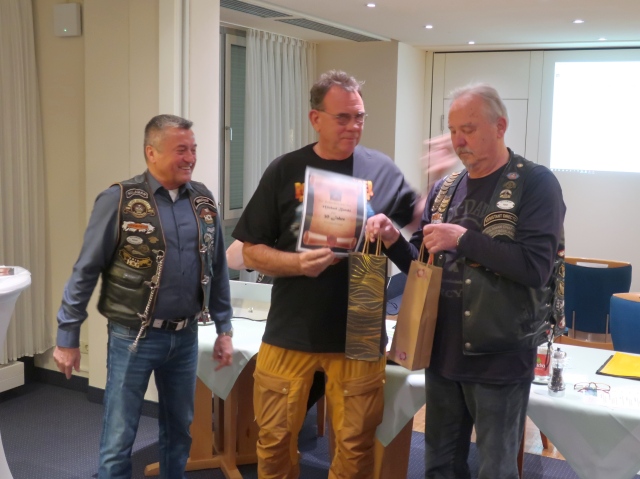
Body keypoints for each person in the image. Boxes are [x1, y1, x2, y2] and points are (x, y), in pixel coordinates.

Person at [367, 84, 565, 479]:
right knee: (440, 466)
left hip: (500, 356)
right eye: (453, 130)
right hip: (443, 352)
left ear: (500, 126)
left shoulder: (536, 184)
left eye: (469, 130)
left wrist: (463, 239)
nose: (459, 140)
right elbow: (421, 267)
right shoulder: (445, 190)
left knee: (496, 469)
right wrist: (392, 240)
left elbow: (535, 268)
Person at [232, 70, 421, 478]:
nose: (354, 126)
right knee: (274, 441)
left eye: (360, 117)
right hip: (291, 328)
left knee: (354, 451)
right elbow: (249, 250)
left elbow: (417, 256)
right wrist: (297, 264)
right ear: (315, 118)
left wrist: (394, 233)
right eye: (343, 117)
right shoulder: (286, 169)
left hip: (361, 332)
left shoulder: (382, 170)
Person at [53, 114, 234, 479]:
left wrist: (224, 328)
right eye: (181, 150)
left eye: (193, 149)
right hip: (133, 338)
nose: (190, 158)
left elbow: (216, 267)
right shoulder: (119, 199)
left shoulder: (202, 200)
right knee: (119, 438)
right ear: (152, 152)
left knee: (179, 432)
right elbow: (86, 269)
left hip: (185, 337)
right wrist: (67, 336)